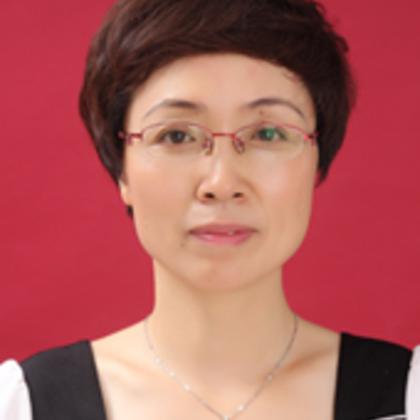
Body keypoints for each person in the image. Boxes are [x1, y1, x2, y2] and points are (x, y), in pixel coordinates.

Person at [1, 0, 419, 419]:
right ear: (122, 169)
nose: (221, 183)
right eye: (177, 136)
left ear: (316, 162)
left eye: (267, 133)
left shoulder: (409, 397)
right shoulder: (21, 405)